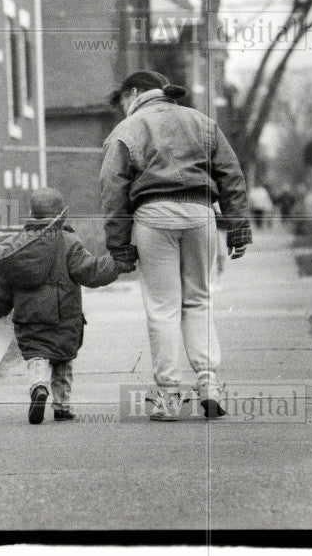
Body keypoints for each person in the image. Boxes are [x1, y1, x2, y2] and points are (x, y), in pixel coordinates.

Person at [98, 71, 252, 421]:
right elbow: (231, 174)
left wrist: (120, 245)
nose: (124, 109)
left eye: (123, 100)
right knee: (199, 300)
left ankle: (168, 396)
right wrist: (239, 229)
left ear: (134, 93)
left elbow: (112, 189)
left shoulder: (128, 130)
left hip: (154, 216)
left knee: (162, 308)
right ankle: (209, 382)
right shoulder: (202, 122)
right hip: (201, 213)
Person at [0, 187, 128, 424]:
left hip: (29, 318)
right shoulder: (69, 242)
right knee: (63, 359)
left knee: (37, 356)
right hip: (64, 316)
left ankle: (38, 386)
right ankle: (62, 405)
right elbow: (90, 272)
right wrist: (118, 264)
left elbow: (4, 289)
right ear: (62, 215)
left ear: (30, 213)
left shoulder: (18, 247)